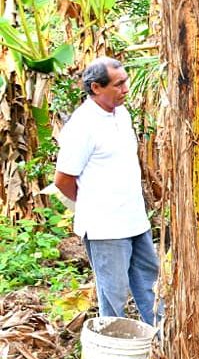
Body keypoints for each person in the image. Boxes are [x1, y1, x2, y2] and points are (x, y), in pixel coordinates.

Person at [54, 57, 160, 325]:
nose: (126, 89)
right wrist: (92, 202)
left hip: (136, 220)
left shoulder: (121, 114)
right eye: (118, 84)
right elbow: (63, 180)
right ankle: (116, 358)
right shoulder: (82, 126)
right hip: (106, 228)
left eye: (125, 82)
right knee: (113, 296)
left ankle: (161, 347)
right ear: (96, 88)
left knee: (150, 286)